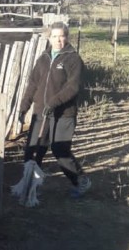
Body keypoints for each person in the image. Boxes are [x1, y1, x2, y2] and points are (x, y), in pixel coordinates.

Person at [19, 21, 90, 198]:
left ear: (67, 37)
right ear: (49, 38)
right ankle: (30, 187)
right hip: (41, 111)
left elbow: (73, 87)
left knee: (60, 149)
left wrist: (53, 102)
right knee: (33, 150)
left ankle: (80, 181)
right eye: (55, 36)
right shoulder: (43, 58)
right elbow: (33, 84)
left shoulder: (73, 59)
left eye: (62, 36)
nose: (58, 40)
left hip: (64, 113)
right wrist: (23, 108)